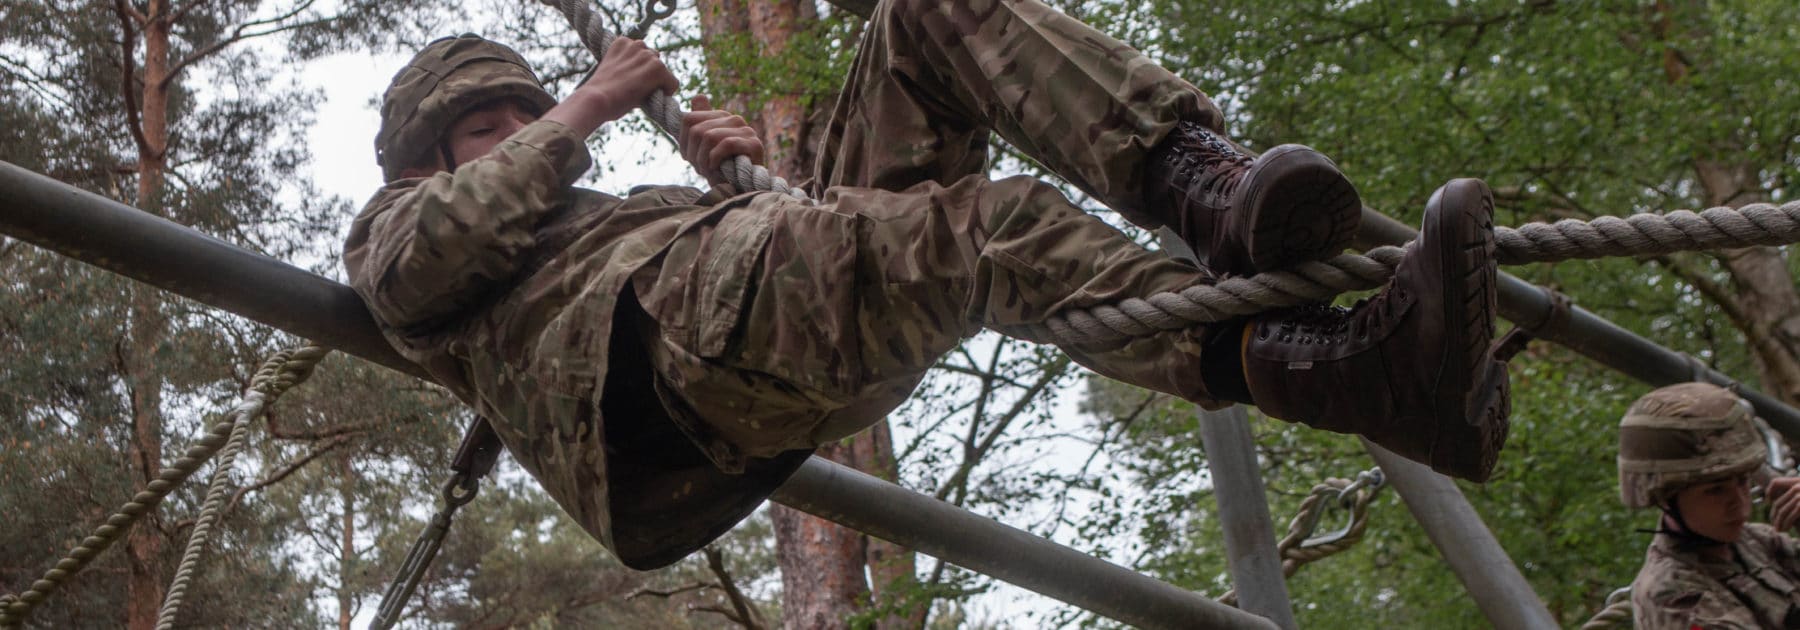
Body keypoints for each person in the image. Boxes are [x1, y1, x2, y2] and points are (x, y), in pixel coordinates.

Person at [345, 0, 1511, 570]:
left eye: (519, 117)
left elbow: (817, 246)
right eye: (483, 130)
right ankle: (1320, 368)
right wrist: (581, 110)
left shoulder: (599, 215)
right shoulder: (398, 226)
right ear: (422, 158)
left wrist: (733, 182)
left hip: (730, 304)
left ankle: (1204, 187)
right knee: (994, 229)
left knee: (926, 14)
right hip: (662, 382)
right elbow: (412, 278)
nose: (516, 138)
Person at [1618, 382, 1800, 628]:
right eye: (1715, 490)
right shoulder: (1672, 596)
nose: (1739, 503)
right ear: (1665, 497)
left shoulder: (1757, 541)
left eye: (1742, 481)